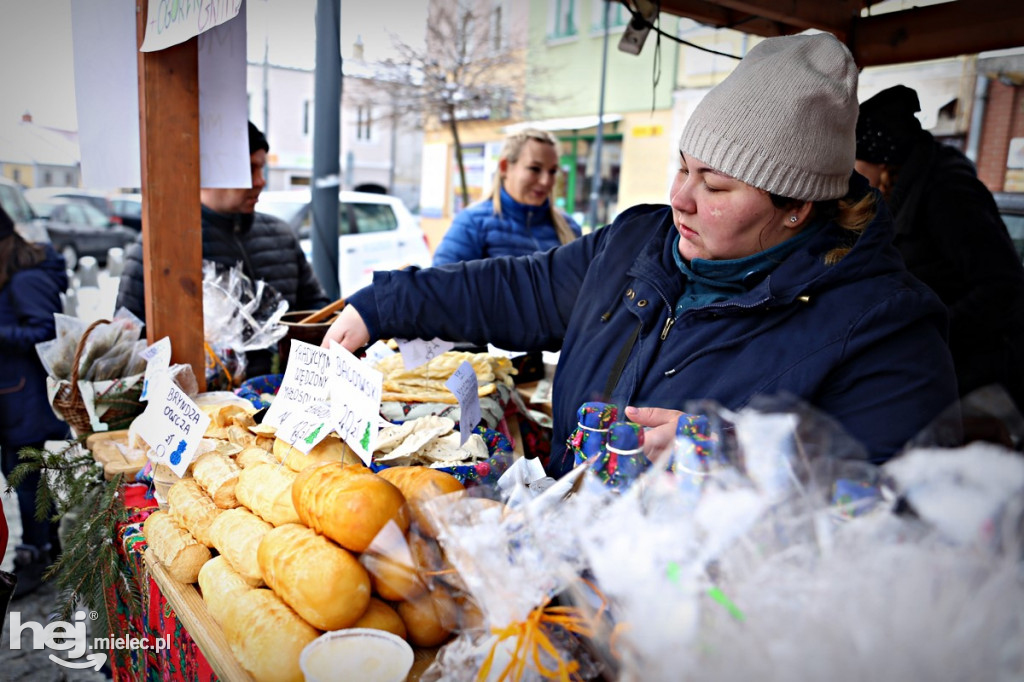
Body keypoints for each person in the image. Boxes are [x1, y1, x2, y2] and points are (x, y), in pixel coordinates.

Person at [323, 34, 958, 477]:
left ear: (797, 206)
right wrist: (385, 303)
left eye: (715, 186)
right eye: (682, 167)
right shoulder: (637, 241)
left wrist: (742, 460)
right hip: (564, 584)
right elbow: (519, 288)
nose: (679, 197)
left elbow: (902, 519)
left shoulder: (885, 330)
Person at [855, 85, 1024, 414]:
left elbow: (1002, 285)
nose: (853, 174)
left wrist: (929, 330)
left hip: (980, 374)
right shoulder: (904, 193)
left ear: (883, 161)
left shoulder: (948, 196)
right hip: (942, 363)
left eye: (856, 160)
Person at [116, 121, 330, 377]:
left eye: (261, 168)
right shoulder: (161, 246)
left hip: (289, 396)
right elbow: (127, 342)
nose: (260, 181)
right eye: (249, 169)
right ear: (211, 171)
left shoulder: (280, 233)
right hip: (203, 406)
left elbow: (317, 309)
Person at [0, 204, 69, 597]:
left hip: (25, 398)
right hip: (15, 396)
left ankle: (36, 554)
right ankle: (49, 540)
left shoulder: (25, 278)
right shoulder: (16, 270)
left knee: (21, 475)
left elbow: (46, 330)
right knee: (23, 473)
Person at [432, 128, 582, 265]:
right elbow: (441, 287)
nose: (546, 181)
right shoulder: (473, 223)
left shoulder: (569, 228)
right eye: (535, 169)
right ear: (504, 167)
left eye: (553, 171)